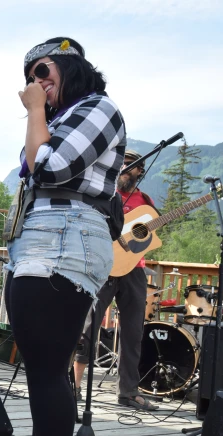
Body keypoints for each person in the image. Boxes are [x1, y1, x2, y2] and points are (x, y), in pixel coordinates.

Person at [0, 38, 125, 436]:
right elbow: (31, 167)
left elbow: (49, 168)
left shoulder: (99, 108)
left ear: (70, 67)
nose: (36, 83)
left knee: (49, 368)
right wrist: (38, 114)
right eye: (29, 76)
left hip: (65, 238)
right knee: (40, 364)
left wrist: (32, 113)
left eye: (44, 71)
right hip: (43, 238)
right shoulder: (57, 120)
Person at [74, 150, 158, 410]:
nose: (124, 169)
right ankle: (74, 385)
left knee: (133, 331)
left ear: (139, 172)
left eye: (130, 166)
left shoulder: (144, 201)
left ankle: (129, 392)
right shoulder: (103, 194)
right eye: (122, 164)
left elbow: (150, 233)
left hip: (134, 269)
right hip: (103, 265)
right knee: (88, 325)